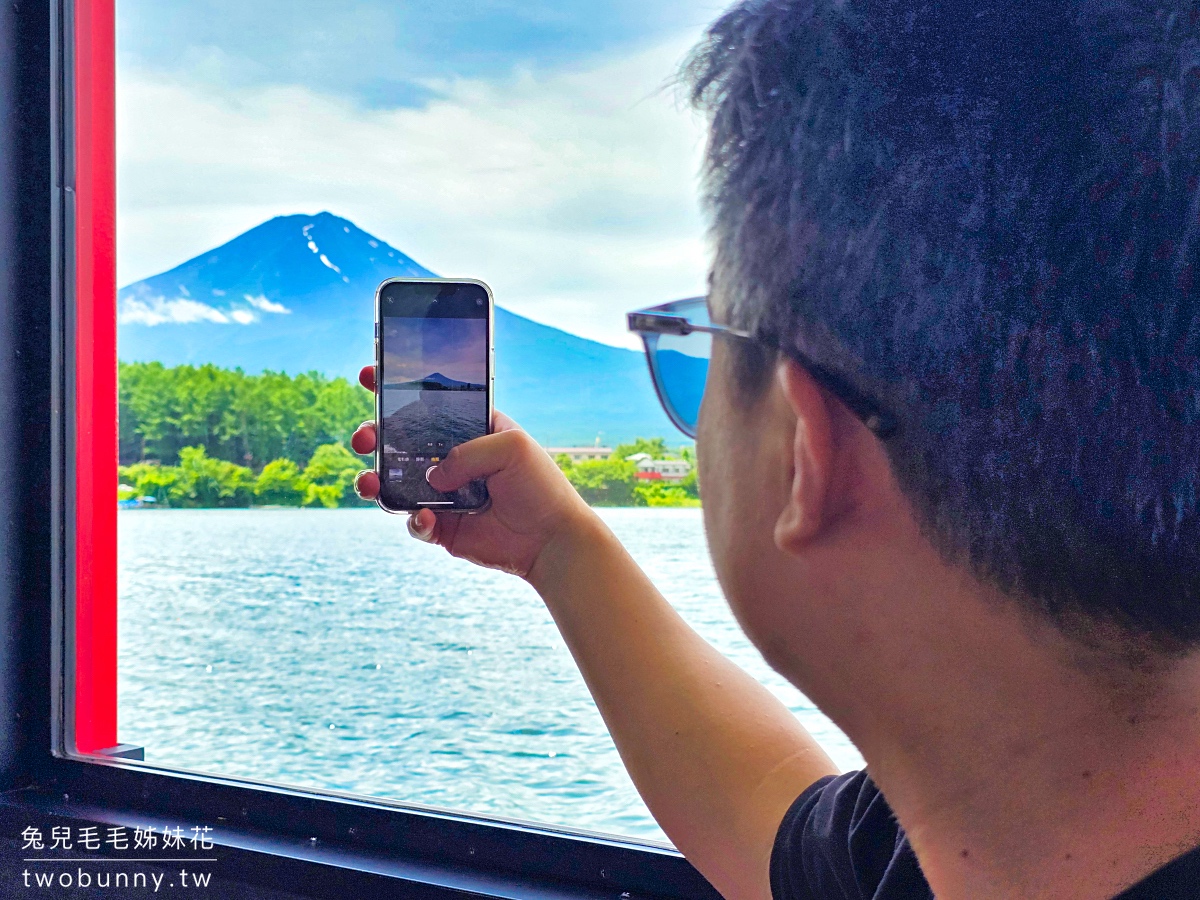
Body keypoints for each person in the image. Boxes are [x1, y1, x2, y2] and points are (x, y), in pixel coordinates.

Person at [352, 1, 1200, 897]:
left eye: (706, 339)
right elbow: (773, 827)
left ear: (804, 445)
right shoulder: (979, 823)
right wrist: (559, 550)